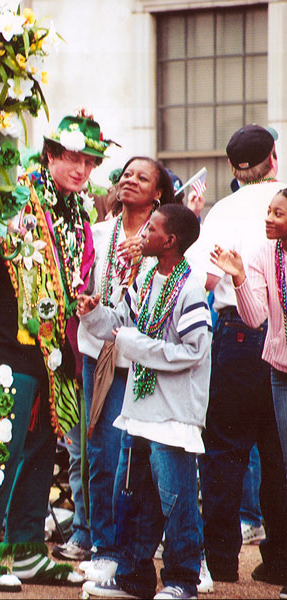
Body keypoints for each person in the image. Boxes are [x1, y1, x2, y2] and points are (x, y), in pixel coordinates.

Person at [0, 113, 115, 593]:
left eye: (90, 161)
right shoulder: (14, 193)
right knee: (1, 441)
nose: (82, 169)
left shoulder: (78, 212)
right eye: (74, 159)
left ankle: (23, 548)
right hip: (8, 343)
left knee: (40, 449)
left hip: (55, 349)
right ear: (50, 154)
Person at [77, 203, 212, 600]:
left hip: (173, 414)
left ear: (169, 241)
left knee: (176, 500)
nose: (142, 235)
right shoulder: (149, 277)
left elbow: (193, 351)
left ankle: (182, 581)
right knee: (134, 498)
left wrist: (135, 345)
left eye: (150, 229)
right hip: (139, 412)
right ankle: (134, 579)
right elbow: (119, 324)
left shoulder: (190, 288)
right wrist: (93, 312)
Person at [187, 124, 287, 585]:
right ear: (274, 159)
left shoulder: (222, 210)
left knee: (224, 452)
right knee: (279, 454)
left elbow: (203, 282)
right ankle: (280, 560)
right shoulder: (281, 205)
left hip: (237, 335)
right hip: (279, 331)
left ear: (232, 167)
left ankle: (222, 560)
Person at [76, 157, 175, 583]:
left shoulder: (164, 240)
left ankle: (142, 548)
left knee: (139, 459)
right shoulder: (98, 232)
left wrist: (142, 261)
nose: (130, 181)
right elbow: (84, 288)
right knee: (102, 454)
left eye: (142, 177)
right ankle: (104, 546)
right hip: (100, 358)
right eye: (126, 174)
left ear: (158, 192)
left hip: (145, 361)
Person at [209, 186, 287, 600]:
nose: (269, 218)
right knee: (263, 456)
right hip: (263, 349)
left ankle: (249, 561)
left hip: (243, 342)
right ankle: (251, 561)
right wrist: (239, 276)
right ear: (272, 159)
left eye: (278, 213)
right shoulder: (264, 253)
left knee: (237, 451)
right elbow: (257, 315)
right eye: (270, 212)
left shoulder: (224, 207)